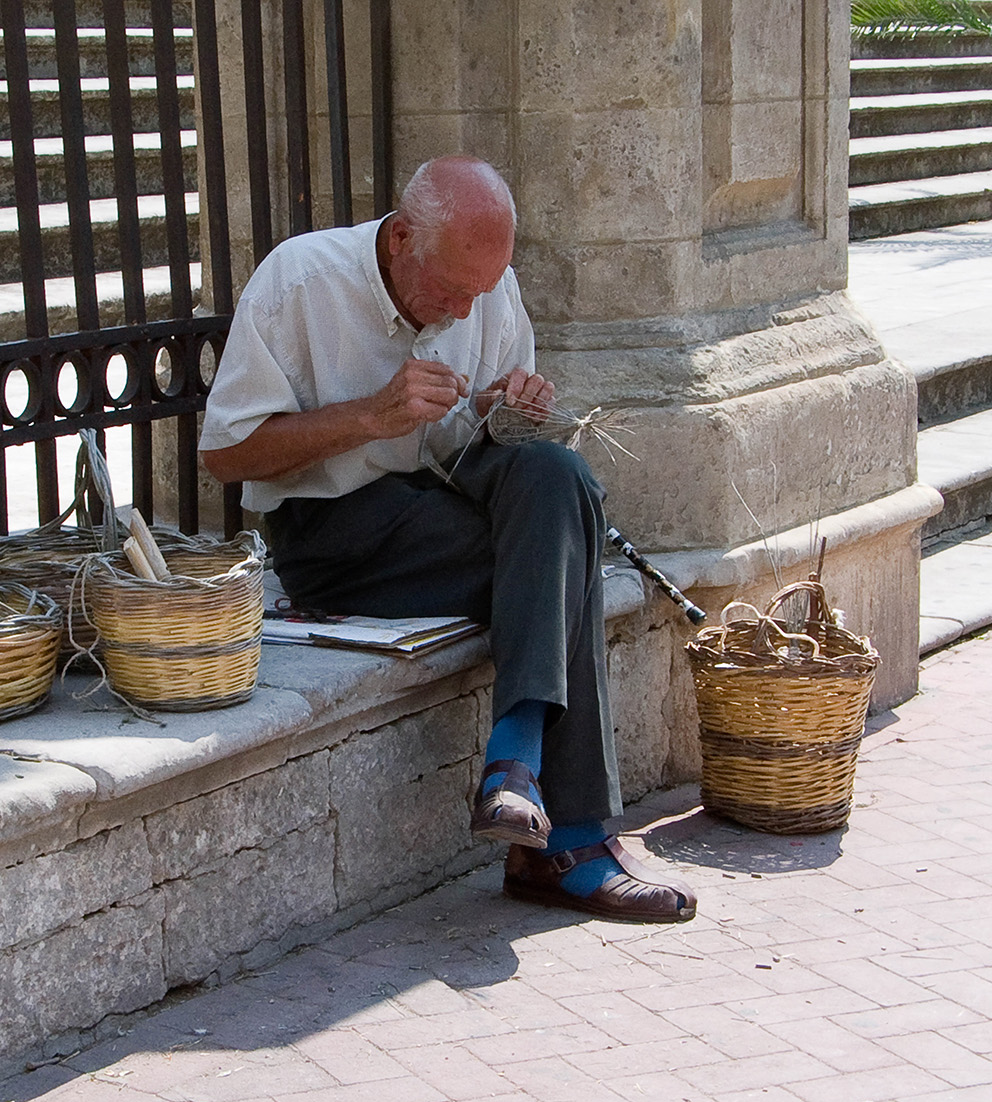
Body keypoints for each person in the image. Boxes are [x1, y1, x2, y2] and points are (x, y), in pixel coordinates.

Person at [199, 155, 696, 924]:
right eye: (452, 290)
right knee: (561, 556)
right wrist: (369, 416)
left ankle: (515, 774)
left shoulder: (484, 290)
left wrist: (511, 412)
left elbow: (489, 445)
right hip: (340, 536)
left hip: (446, 509)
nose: (465, 313)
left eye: (481, 292)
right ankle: (561, 836)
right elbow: (226, 454)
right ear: (400, 239)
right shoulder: (299, 281)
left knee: (559, 478)